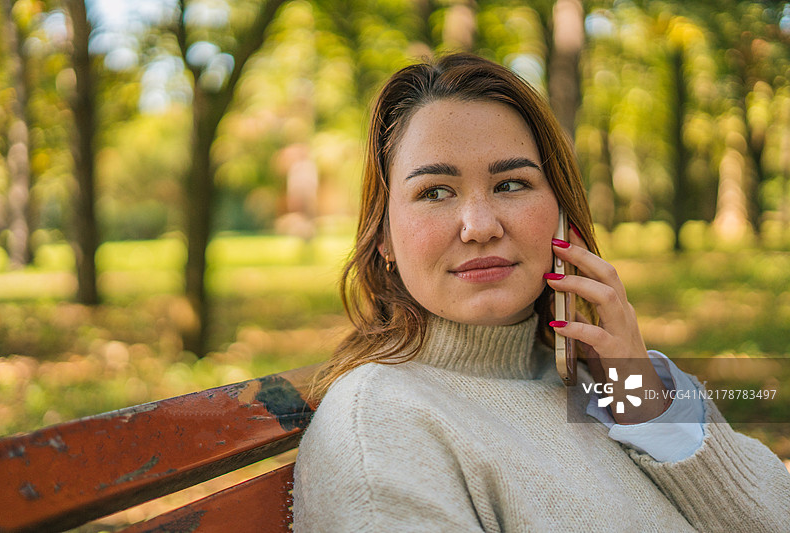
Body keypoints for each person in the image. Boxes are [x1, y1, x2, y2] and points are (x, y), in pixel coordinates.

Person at [293, 53, 790, 532]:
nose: (480, 227)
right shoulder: (380, 428)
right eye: (435, 192)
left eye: (511, 184)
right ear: (383, 236)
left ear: (561, 213)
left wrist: (645, 400)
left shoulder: (596, 380)